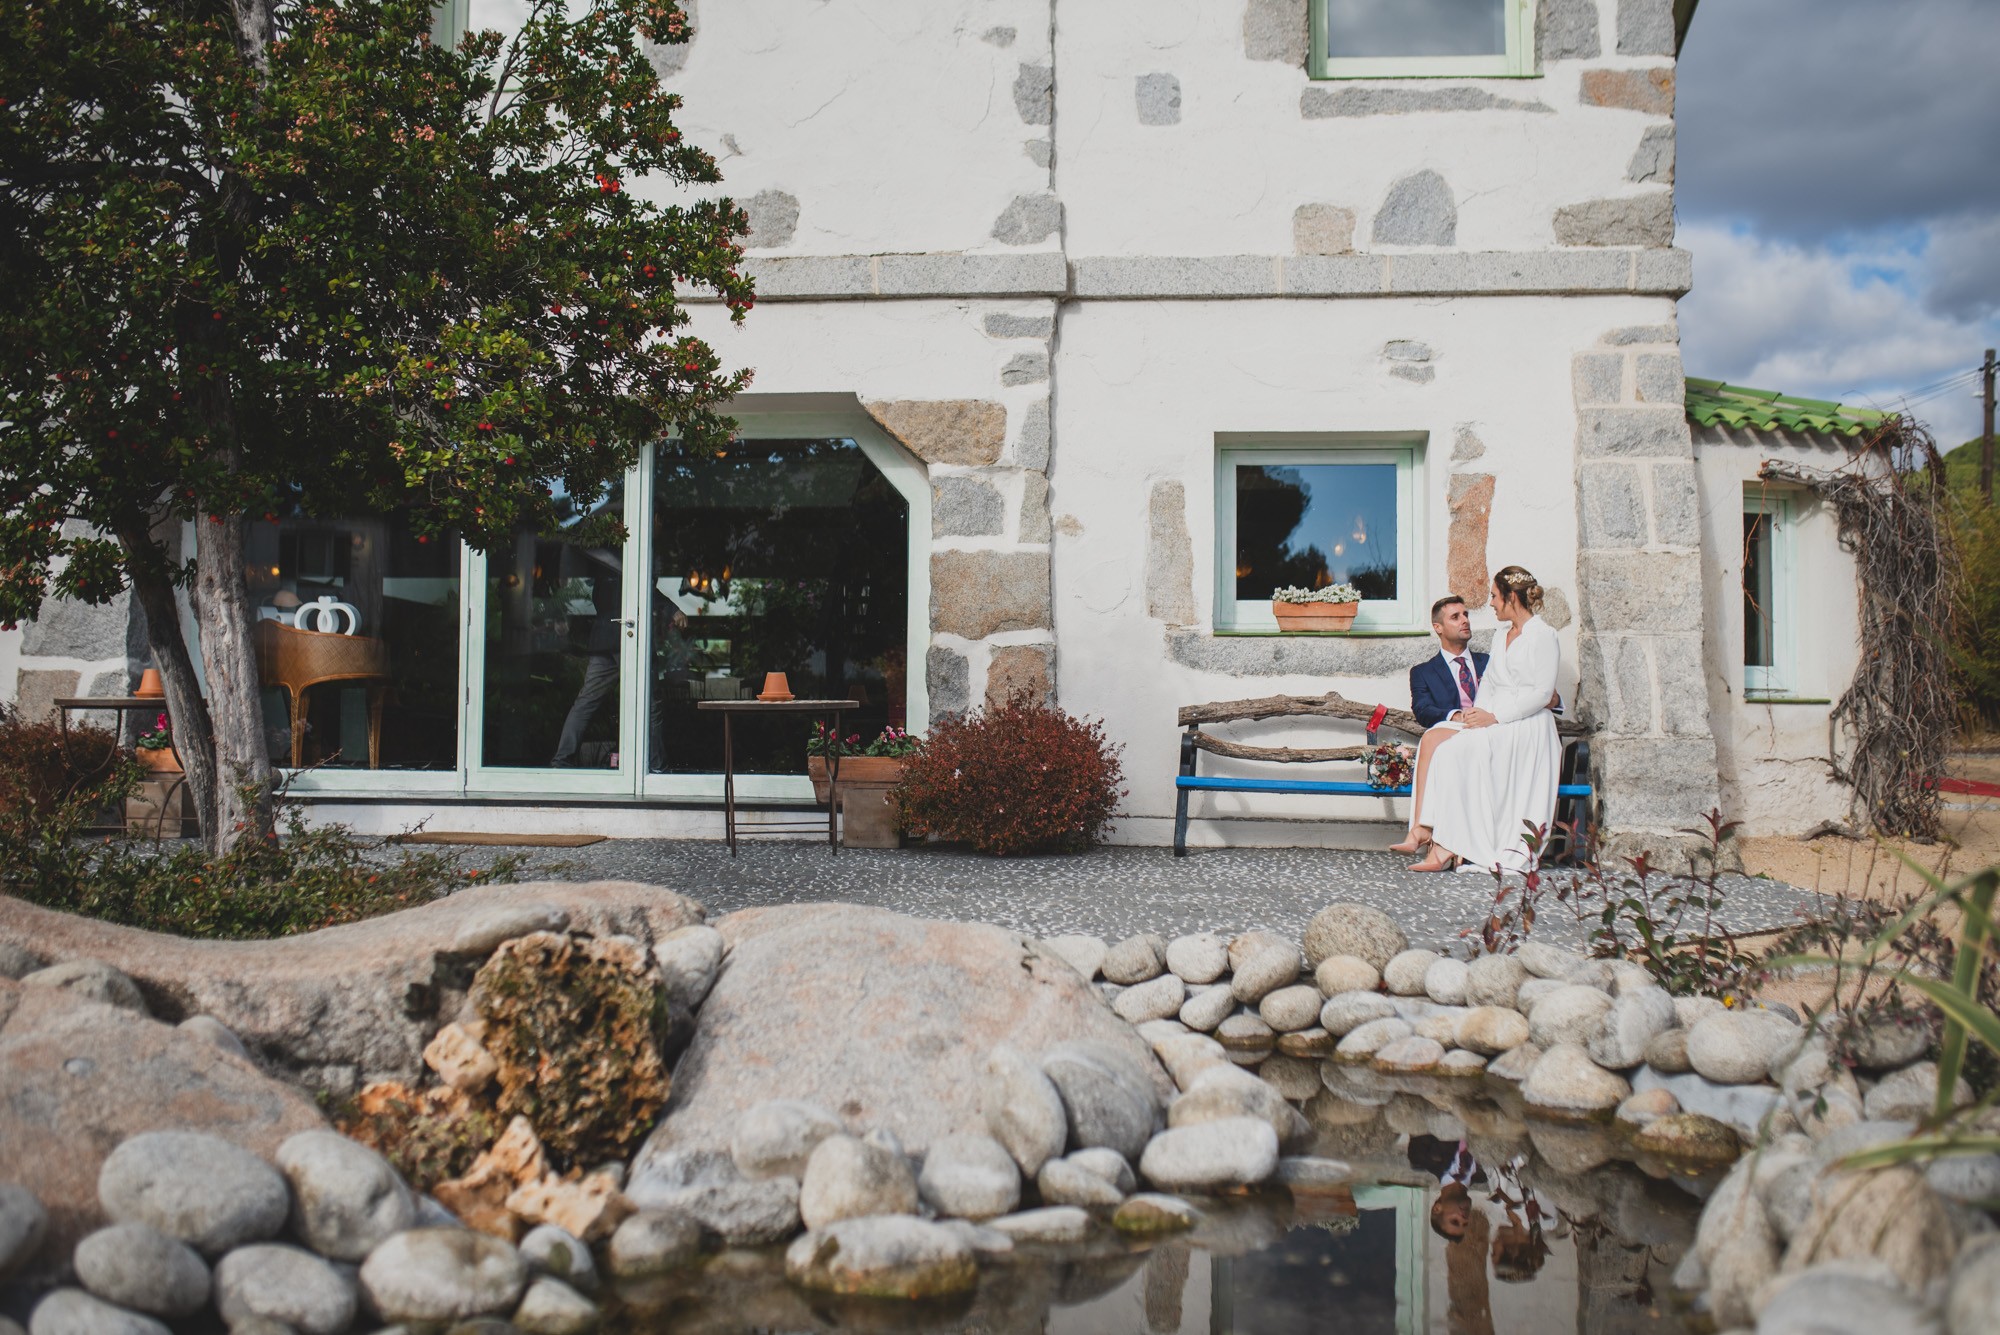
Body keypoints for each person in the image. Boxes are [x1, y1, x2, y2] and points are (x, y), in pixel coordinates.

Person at [1400, 565, 1563, 874]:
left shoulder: (1544, 636)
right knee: (1448, 751)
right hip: (1497, 721)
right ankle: (1442, 843)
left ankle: (1449, 844)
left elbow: (1543, 693)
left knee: (1463, 750)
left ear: (1511, 598)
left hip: (1527, 726)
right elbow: (1489, 683)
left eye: (1494, 596)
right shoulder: (1502, 636)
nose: (1490, 603)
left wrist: (1494, 716)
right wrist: (1478, 714)